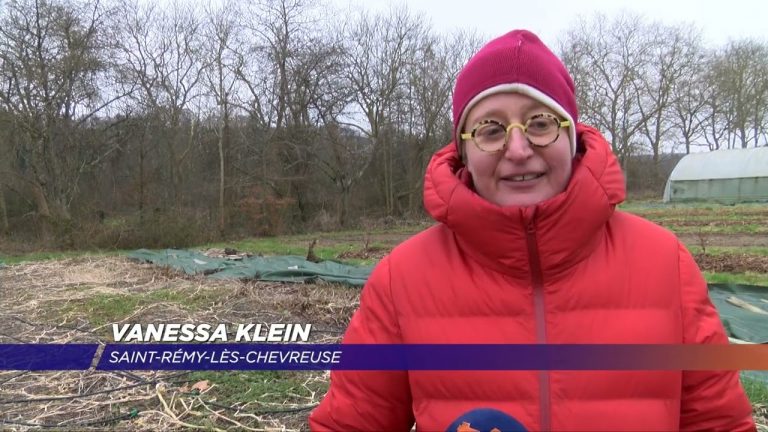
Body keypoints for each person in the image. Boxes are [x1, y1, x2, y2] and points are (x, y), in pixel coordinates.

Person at [308, 29, 756, 431]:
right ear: (464, 149)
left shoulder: (665, 264)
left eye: (541, 124)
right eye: (490, 129)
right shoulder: (401, 278)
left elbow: (720, 424)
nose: (518, 149)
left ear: (572, 137)